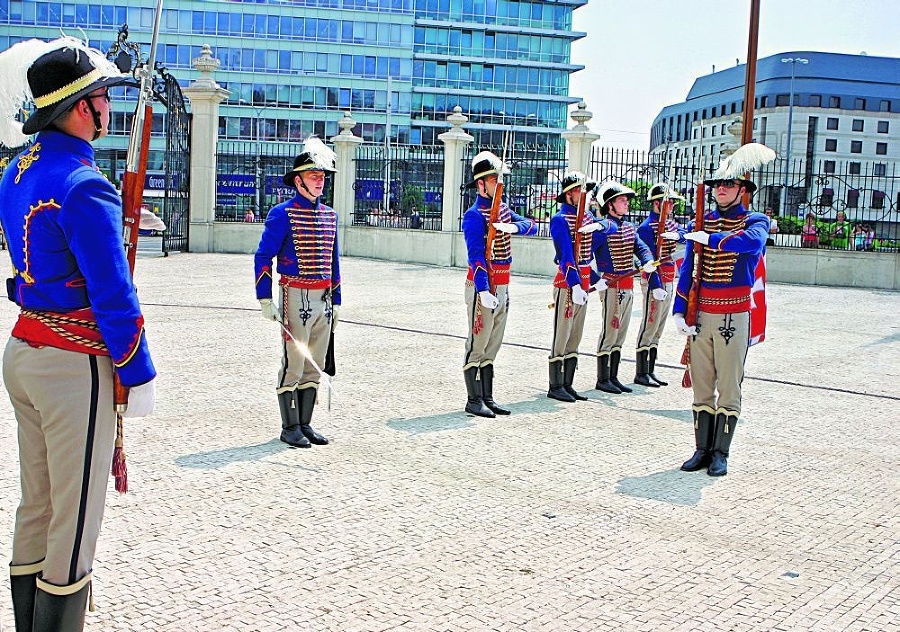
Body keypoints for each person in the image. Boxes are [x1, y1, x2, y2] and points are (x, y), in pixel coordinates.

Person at [0, 37, 156, 630]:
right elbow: (112, 294)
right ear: (80, 107)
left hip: (24, 349)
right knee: (75, 515)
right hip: (71, 364)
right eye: (102, 96)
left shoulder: (17, 168)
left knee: (36, 504)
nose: (109, 107)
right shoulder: (85, 184)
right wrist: (136, 371)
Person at [673, 142, 774, 477]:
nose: (721, 190)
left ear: (742, 190)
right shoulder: (703, 220)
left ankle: (721, 453)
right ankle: (701, 449)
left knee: (729, 385)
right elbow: (688, 268)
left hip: (734, 312)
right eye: (718, 185)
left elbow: (753, 244)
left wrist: (712, 241)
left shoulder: (753, 220)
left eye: (728, 185)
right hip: (701, 313)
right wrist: (679, 308)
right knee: (702, 384)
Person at [255, 137, 340, 448]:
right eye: (314, 176)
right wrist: (265, 298)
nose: (320, 182)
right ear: (299, 179)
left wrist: (338, 300)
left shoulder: (331, 215)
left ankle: (305, 423)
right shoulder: (282, 213)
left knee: (314, 364)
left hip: (324, 298)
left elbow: (334, 261)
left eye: (323, 177)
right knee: (293, 362)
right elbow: (263, 256)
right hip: (295, 295)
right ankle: (289, 426)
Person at [462, 150, 537, 417]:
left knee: (494, 341)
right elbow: (476, 256)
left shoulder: (503, 210)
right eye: (494, 179)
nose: (499, 184)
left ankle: (487, 396)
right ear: (481, 184)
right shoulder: (474, 215)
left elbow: (532, 225)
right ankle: (473, 400)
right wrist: (483, 288)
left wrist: (514, 228)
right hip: (484, 285)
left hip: (504, 284)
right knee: (478, 341)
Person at [546, 171, 615, 402]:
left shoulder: (586, 219)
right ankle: (556, 385)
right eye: (580, 191)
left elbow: (610, 228)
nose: (585, 195)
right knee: (562, 335)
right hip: (567, 285)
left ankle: (568, 383)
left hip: (583, 284)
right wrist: (576, 285)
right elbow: (565, 256)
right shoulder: (559, 219)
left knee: (575, 335)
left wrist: (598, 225)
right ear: (569, 194)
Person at [591, 181, 660, 394]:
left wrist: (647, 260)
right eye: (622, 200)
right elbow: (582, 256)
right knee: (610, 332)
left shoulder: (629, 227)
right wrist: (595, 279)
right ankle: (603, 378)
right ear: (610, 205)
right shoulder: (602, 228)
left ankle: (613, 376)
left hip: (627, 286)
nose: (627, 203)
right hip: (611, 285)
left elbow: (641, 247)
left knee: (620, 333)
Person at [634, 183, 686, 387]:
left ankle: (651, 369)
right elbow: (648, 259)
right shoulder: (647, 228)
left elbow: (684, 234)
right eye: (669, 202)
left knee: (659, 327)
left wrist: (679, 236)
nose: (672, 206)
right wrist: (655, 285)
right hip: (655, 281)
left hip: (669, 278)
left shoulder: (670, 224)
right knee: (649, 324)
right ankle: (641, 372)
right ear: (657, 203)